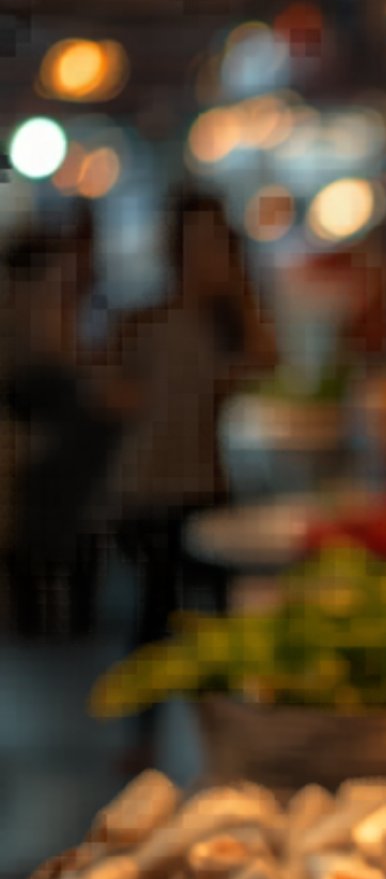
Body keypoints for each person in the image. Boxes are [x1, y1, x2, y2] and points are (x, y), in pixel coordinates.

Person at [109, 193, 275, 649]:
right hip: (150, 487)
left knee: (219, 619)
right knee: (155, 616)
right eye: (196, 242)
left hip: (206, 483)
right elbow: (107, 389)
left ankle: (216, 716)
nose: (206, 255)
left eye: (215, 243)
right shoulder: (147, 320)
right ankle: (141, 718)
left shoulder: (225, 322)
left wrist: (238, 289)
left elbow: (267, 362)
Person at [1, 223, 121, 638]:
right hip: (34, 504)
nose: (70, 294)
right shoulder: (20, 344)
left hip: (75, 505)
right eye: (58, 284)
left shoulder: (74, 336)